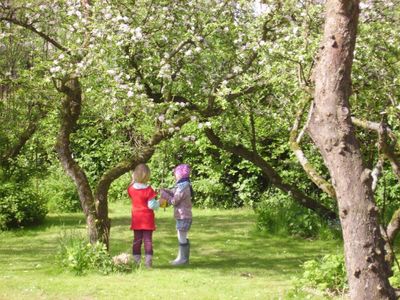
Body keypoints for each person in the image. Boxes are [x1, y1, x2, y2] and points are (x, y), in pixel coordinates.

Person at [127, 163, 165, 268]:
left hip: (136, 218)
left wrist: (133, 181)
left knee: (137, 240)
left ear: (135, 175)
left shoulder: (131, 188)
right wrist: (160, 202)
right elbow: (151, 205)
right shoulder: (149, 190)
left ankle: (136, 262)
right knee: (148, 241)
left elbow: (130, 192)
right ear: (147, 176)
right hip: (147, 219)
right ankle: (148, 262)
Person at [160, 164, 193, 266]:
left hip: (183, 216)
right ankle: (181, 258)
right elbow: (174, 193)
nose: (175, 176)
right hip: (182, 216)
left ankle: (183, 260)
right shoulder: (183, 186)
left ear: (180, 175)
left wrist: (164, 195)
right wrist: (165, 190)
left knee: (182, 237)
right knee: (181, 236)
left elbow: (174, 201)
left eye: (176, 174)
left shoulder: (183, 188)